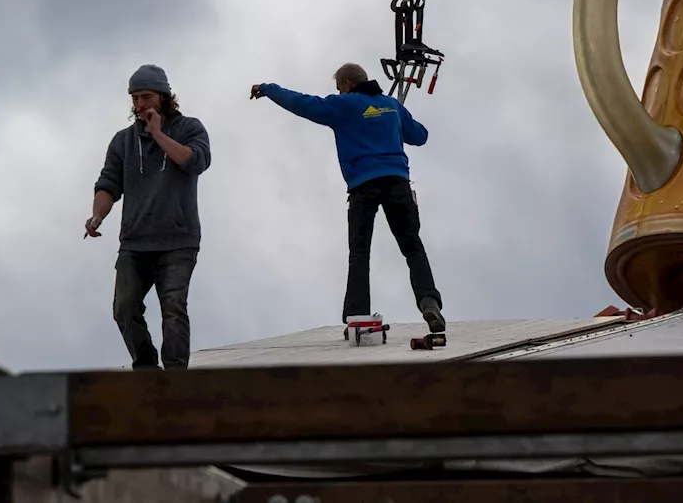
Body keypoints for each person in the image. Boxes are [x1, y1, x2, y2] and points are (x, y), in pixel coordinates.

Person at [250, 63, 445, 333]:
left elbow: (303, 103)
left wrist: (268, 89)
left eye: (339, 87)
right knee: (412, 246)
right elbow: (420, 136)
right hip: (397, 181)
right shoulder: (391, 106)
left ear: (347, 83)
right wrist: (393, 119)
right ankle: (428, 300)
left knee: (360, 251)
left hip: (363, 185)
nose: (338, 92)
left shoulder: (343, 105)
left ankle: (357, 315)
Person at [85, 64, 212, 370]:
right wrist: (96, 216)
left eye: (146, 97)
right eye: (135, 98)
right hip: (135, 242)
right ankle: (146, 368)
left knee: (173, 308)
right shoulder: (123, 141)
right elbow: (108, 184)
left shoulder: (189, 128)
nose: (140, 105)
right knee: (124, 308)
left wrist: (157, 134)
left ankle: (175, 374)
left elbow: (195, 161)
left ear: (164, 97)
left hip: (178, 241)